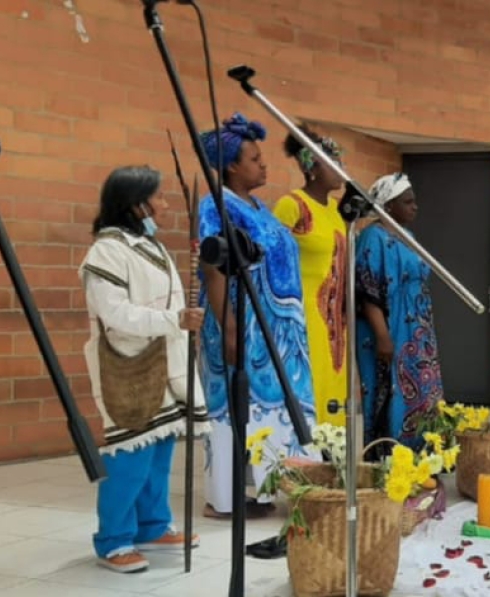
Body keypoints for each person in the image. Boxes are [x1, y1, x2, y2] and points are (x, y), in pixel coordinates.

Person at [80, 165, 208, 573]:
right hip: (128, 365)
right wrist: (175, 321)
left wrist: (179, 322)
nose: (165, 205)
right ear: (135, 204)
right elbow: (115, 314)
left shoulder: (149, 245)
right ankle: (113, 540)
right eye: (158, 197)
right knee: (129, 454)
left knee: (159, 449)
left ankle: (151, 526)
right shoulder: (106, 251)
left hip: (165, 360)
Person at [197, 113, 317, 519]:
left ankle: (268, 489)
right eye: (254, 159)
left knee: (276, 411)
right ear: (231, 166)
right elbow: (213, 266)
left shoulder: (259, 206)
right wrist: (228, 326)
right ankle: (224, 500)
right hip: (241, 324)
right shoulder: (215, 206)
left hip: (278, 331)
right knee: (234, 409)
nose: (263, 165)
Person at [355, 172, 443, 452]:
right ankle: (390, 454)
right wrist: (382, 335)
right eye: (407, 201)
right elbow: (367, 290)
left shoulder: (408, 236)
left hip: (417, 331)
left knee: (422, 390)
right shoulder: (372, 237)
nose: (414, 206)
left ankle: (422, 454)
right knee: (392, 390)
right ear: (388, 206)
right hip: (390, 328)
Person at [273, 125, 350, 426]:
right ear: (313, 168)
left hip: (335, 321)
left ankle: (333, 463)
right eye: (334, 164)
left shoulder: (335, 209)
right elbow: (269, 261)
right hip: (304, 318)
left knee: (335, 398)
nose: (341, 170)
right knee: (311, 393)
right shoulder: (292, 206)